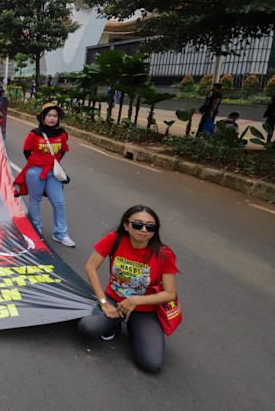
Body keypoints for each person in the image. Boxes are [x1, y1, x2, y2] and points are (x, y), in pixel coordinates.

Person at [78, 205, 178, 373]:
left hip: (145, 309)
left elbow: (169, 293)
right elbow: (90, 267)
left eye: (150, 226)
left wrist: (137, 300)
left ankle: (135, 324)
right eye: (138, 224)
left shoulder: (164, 253)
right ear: (126, 225)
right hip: (115, 301)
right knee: (88, 327)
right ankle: (116, 323)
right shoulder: (114, 239)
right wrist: (104, 303)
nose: (144, 229)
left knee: (151, 364)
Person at [14, 103, 74, 247]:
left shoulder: (62, 134)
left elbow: (62, 151)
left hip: (53, 172)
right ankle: (36, 229)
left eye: (55, 116)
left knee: (58, 203)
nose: (52, 118)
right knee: (35, 200)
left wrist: (52, 164)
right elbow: (26, 151)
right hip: (35, 172)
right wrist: (38, 163)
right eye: (49, 115)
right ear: (43, 117)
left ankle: (60, 234)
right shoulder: (34, 134)